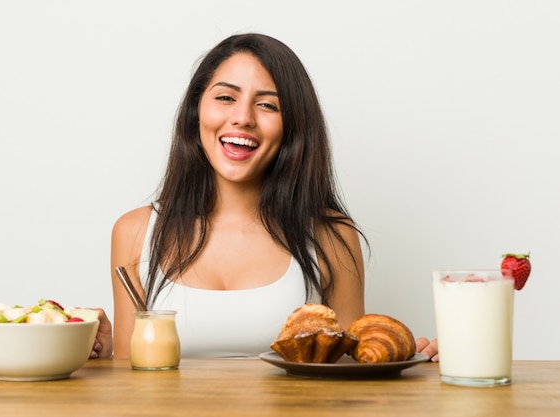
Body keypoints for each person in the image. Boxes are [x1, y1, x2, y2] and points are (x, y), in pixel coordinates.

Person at [91, 33, 438, 361]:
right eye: (225, 98)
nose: (242, 118)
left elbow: (348, 373)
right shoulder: (135, 233)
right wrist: (101, 354)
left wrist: (412, 359)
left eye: (268, 105)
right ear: (197, 110)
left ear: (293, 127)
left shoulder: (331, 236)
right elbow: (132, 377)